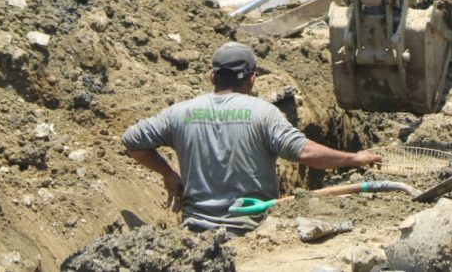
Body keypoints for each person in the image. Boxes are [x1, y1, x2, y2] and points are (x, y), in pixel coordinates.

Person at [121, 41, 380, 235]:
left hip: (194, 234)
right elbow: (305, 153)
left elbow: (133, 140)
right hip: (251, 229)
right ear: (253, 79)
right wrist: (354, 158)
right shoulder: (263, 113)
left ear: (212, 76)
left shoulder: (179, 112)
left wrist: (168, 173)